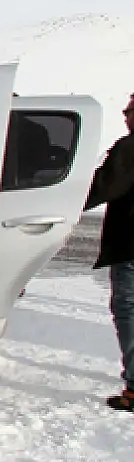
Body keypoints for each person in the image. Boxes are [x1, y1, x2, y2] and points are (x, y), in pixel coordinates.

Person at [85, 94, 134, 411]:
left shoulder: (130, 148)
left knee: (129, 309)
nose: (125, 115)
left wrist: (59, 202)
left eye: (130, 109)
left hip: (131, 244)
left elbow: (104, 186)